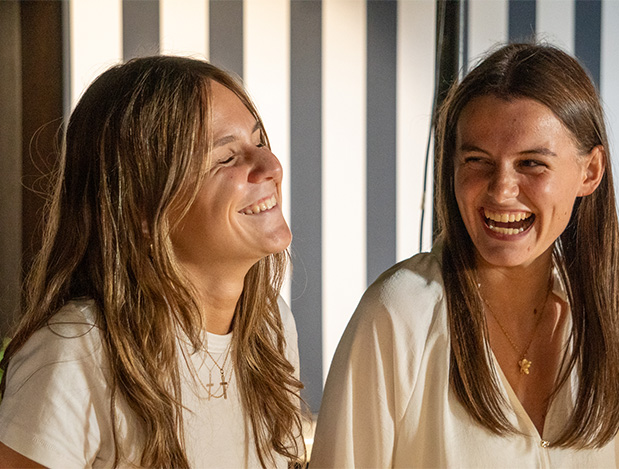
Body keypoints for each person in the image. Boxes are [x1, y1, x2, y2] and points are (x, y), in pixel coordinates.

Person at [311, 43, 619, 467]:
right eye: (477, 160)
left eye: (531, 163)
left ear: (590, 171)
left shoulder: (608, 316)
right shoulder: (398, 315)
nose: (501, 190)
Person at [0, 56, 305, 468]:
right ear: (143, 207)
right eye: (226, 158)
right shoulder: (75, 352)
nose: (271, 167)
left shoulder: (270, 324)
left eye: (259, 142)